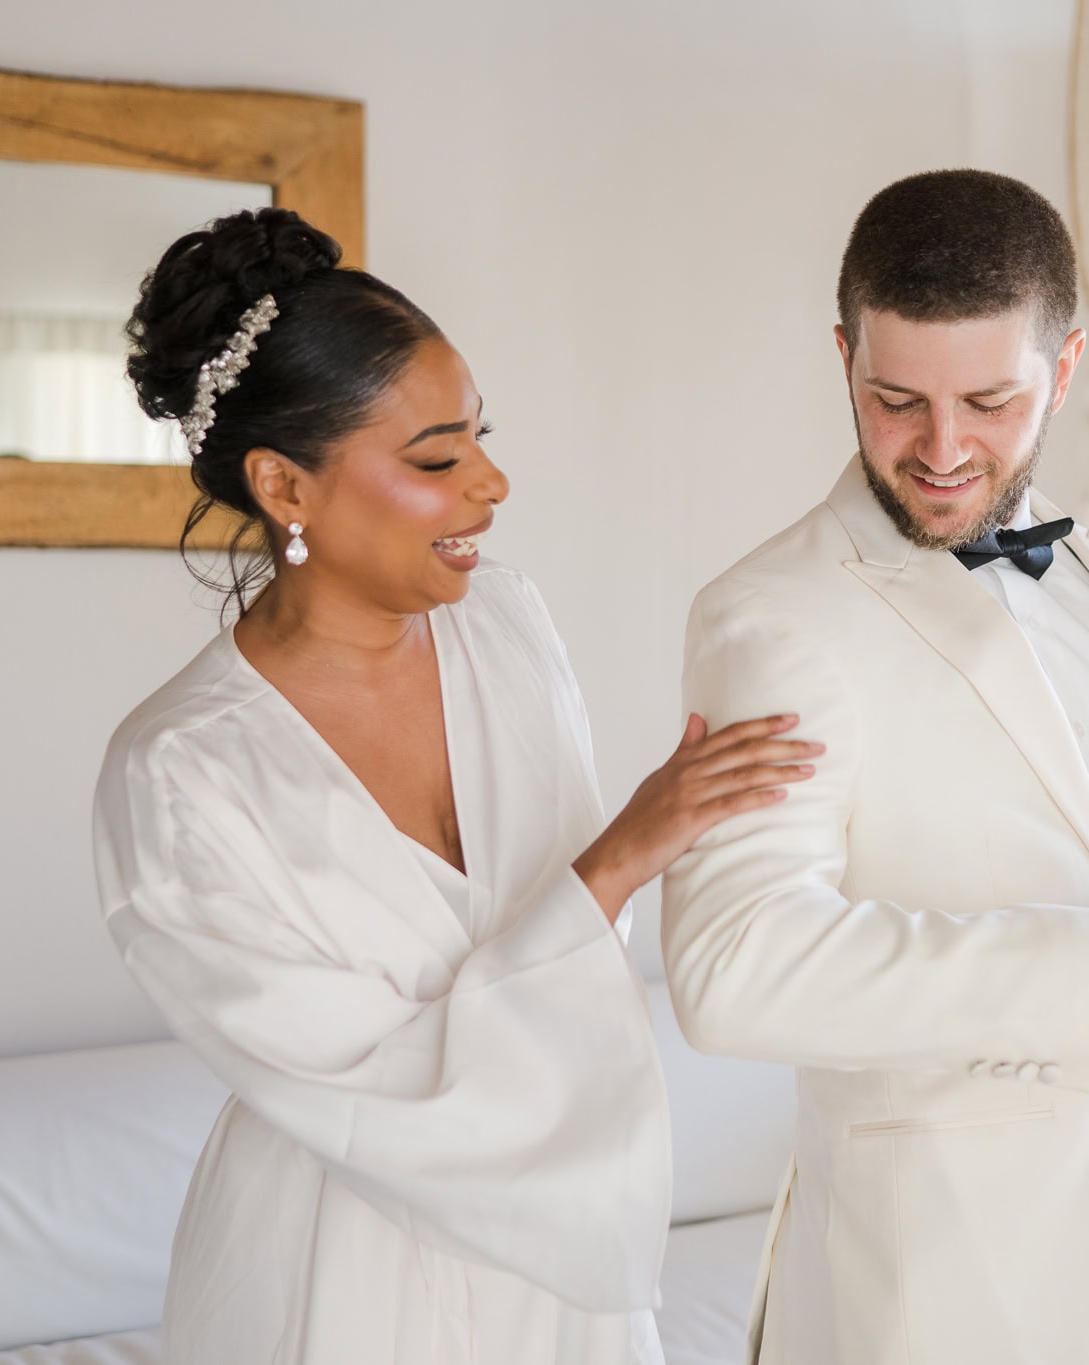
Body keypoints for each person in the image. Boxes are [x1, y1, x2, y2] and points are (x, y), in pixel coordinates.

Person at [92, 208, 819, 1365]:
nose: (491, 483)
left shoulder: (507, 630)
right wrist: (622, 854)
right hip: (336, 1270)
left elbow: (583, 963)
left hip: (564, 1250)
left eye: (480, 437)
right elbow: (368, 1082)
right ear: (286, 484)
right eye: (436, 459)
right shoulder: (181, 773)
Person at [661, 169, 1089, 1364]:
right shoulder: (773, 618)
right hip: (921, 1300)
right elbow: (732, 967)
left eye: (989, 401)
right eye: (894, 398)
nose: (941, 450)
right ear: (843, 354)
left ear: (1062, 370)